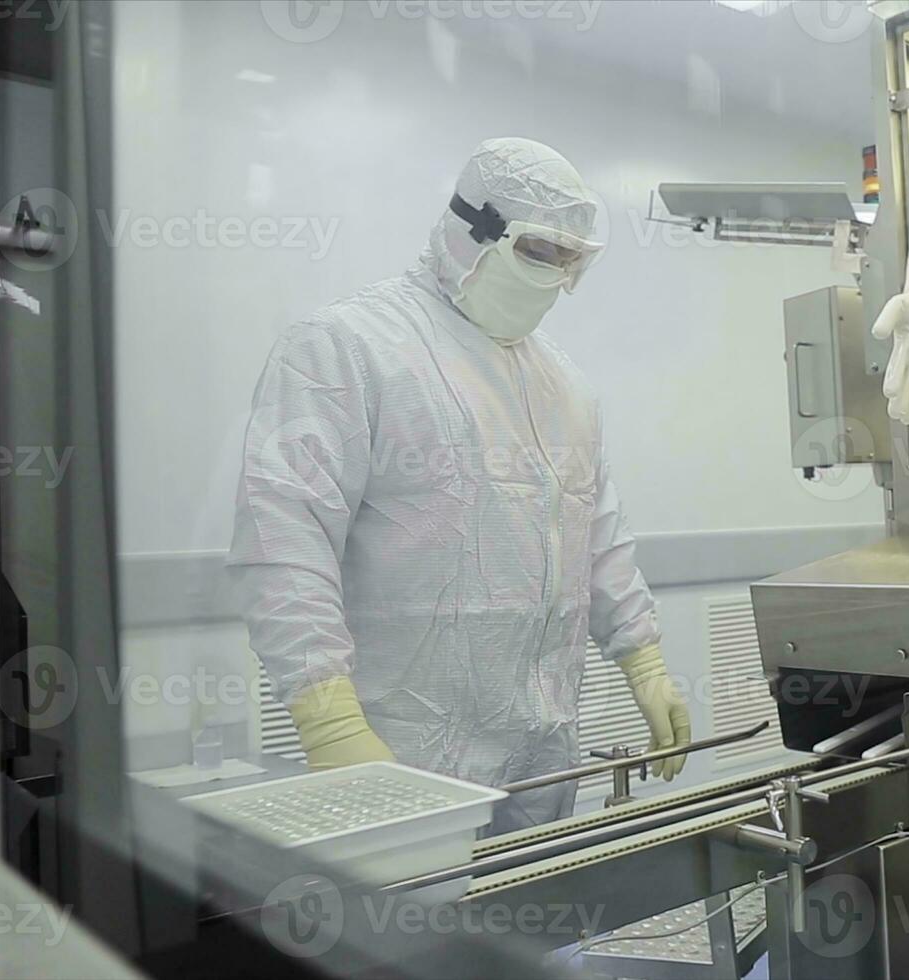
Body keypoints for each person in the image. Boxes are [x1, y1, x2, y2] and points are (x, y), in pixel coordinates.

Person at [228, 137, 690, 834]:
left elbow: (598, 538)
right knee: (408, 938)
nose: (554, 276)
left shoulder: (565, 385)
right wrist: (328, 723)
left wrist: (643, 659)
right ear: (472, 230)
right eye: (539, 251)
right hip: (401, 755)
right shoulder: (346, 347)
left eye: (572, 259)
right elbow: (284, 539)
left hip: (544, 757)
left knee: (532, 931)